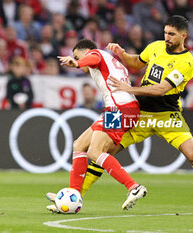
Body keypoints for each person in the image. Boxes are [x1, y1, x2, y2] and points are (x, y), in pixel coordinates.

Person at [81, 15, 193, 214]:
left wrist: (128, 89)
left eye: (172, 34)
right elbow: (137, 63)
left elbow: (161, 89)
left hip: (167, 116)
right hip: (139, 113)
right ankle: (76, 196)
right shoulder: (155, 46)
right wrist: (122, 53)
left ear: (184, 36)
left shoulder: (186, 62)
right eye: (165, 33)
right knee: (103, 150)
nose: (167, 37)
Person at [46, 39, 147, 212]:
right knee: (79, 145)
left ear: (86, 52)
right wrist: (79, 62)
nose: (76, 59)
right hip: (122, 108)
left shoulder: (97, 54)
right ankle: (74, 195)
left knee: (94, 152)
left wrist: (78, 63)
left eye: (77, 55)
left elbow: (92, 58)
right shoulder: (113, 62)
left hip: (119, 109)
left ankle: (134, 187)